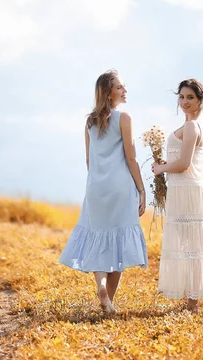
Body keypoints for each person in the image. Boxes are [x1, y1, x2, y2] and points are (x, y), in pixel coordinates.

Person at [59, 69, 148, 314]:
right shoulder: (124, 118)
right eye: (120, 87)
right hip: (121, 188)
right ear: (109, 92)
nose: (124, 90)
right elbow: (131, 158)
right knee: (118, 240)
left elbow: (89, 161)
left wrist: (96, 183)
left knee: (98, 239)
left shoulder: (89, 121)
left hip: (96, 188)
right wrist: (141, 190)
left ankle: (101, 288)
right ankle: (109, 301)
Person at [151, 78, 203, 317]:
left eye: (190, 97)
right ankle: (201, 301)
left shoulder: (192, 126)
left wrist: (161, 169)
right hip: (190, 189)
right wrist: (166, 166)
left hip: (189, 190)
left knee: (196, 246)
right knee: (199, 245)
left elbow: (185, 164)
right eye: (181, 97)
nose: (185, 102)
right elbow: (184, 161)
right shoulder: (194, 124)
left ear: (201, 100)